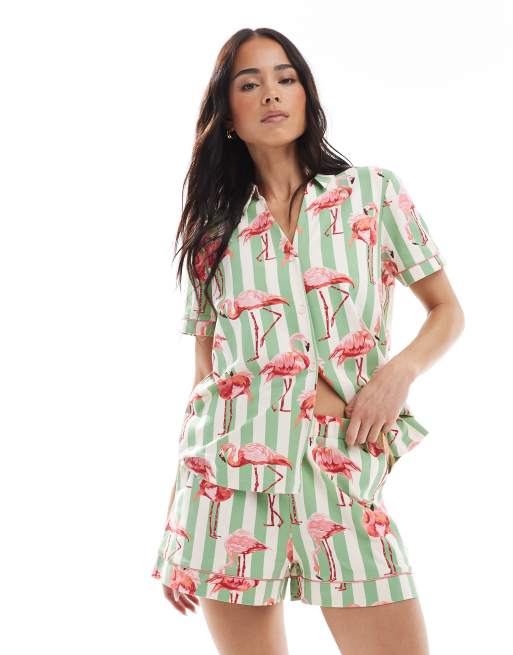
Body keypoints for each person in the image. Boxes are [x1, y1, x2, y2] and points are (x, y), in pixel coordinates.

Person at [150, 27, 465, 655]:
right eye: (250, 84)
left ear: (305, 94)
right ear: (228, 115)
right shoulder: (213, 230)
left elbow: (447, 311)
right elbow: (205, 380)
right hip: (229, 488)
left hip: (339, 467)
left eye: (285, 77)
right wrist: (177, 526)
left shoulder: (371, 193)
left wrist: (396, 375)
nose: (271, 93)